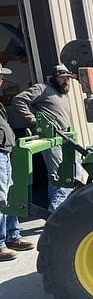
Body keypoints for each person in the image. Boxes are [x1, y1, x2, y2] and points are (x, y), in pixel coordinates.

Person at [13, 64, 80, 212]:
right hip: (51, 138)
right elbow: (18, 100)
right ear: (54, 78)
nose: (66, 81)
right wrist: (34, 121)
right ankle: (54, 212)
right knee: (60, 175)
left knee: (75, 172)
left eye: (67, 78)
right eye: (62, 78)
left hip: (65, 137)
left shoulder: (62, 93)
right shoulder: (42, 89)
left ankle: (57, 211)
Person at [0, 63, 35, 261]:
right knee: (0, 198)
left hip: (5, 152)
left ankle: (13, 236)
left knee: (10, 195)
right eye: (0, 77)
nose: (2, 81)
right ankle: (0, 244)